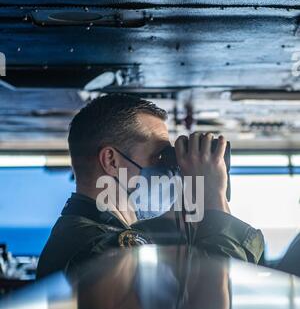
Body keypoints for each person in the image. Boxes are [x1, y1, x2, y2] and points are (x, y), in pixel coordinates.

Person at [36, 94, 264, 279]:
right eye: (160, 156)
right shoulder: (96, 247)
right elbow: (215, 300)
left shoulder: (96, 235)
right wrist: (213, 194)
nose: (169, 170)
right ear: (112, 161)